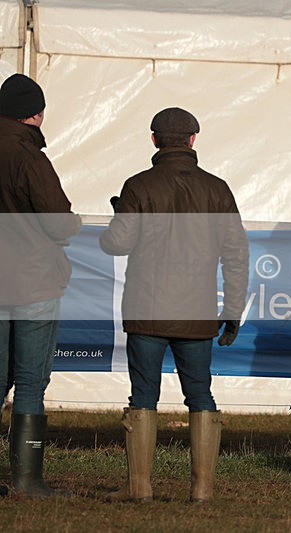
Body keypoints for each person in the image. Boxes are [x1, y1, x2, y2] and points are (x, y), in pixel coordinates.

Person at [99, 107, 249, 502]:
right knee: (200, 396)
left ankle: (140, 487)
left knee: (143, 396)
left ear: (154, 140)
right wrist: (232, 311)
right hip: (197, 313)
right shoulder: (218, 190)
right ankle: (202, 489)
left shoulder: (138, 185)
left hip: (147, 311)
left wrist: (120, 214)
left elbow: (117, 244)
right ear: (193, 140)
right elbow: (236, 254)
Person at [0, 73, 82, 499]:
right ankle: (28, 481)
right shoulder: (31, 159)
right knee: (31, 382)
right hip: (33, 283)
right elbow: (58, 223)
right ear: (36, 113)